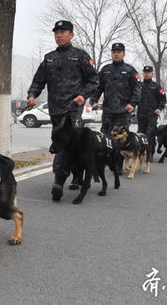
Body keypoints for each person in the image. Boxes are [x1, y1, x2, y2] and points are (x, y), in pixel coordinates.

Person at [26, 20, 99, 201]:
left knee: (67, 143)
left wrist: (83, 95)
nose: (59, 35)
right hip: (54, 111)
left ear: (71, 35)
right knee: (63, 145)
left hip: (73, 109)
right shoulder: (49, 58)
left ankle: (59, 180)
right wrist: (32, 95)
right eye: (56, 32)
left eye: (63, 32)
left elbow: (94, 80)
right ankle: (74, 174)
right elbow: (38, 81)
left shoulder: (81, 56)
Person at [90, 43, 140, 136]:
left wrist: (132, 104)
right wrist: (94, 101)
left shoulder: (130, 70)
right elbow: (98, 88)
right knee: (106, 137)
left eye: (119, 52)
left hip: (123, 111)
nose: (116, 54)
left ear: (124, 54)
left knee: (120, 138)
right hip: (107, 111)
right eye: (114, 52)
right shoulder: (105, 70)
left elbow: (136, 89)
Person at [137, 66, 167, 161]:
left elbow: (163, 99)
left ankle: (150, 154)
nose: (147, 73)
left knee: (149, 134)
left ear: (152, 74)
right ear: (143, 73)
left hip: (152, 115)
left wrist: (159, 108)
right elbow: (133, 97)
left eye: (149, 72)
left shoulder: (156, 87)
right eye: (145, 72)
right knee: (140, 134)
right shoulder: (138, 86)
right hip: (141, 115)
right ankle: (141, 152)